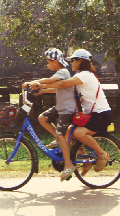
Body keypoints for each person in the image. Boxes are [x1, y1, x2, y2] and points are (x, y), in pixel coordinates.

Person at [32, 49, 113, 181]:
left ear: (81, 61)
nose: (71, 63)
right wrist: (43, 90)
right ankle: (85, 161)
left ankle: (102, 153)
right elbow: (65, 88)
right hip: (92, 114)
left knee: (80, 133)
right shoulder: (80, 75)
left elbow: (63, 83)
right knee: (69, 134)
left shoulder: (85, 75)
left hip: (101, 114)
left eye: (73, 60)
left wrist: (40, 83)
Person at [22, 48, 77, 181]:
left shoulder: (62, 72)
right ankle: (59, 140)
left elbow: (51, 80)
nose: (48, 65)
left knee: (60, 133)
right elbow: (58, 88)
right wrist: (42, 90)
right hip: (60, 107)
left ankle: (68, 164)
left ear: (56, 62)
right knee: (42, 118)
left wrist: (35, 82)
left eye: (48, 62)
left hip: (67, 110)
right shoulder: (62, 72)